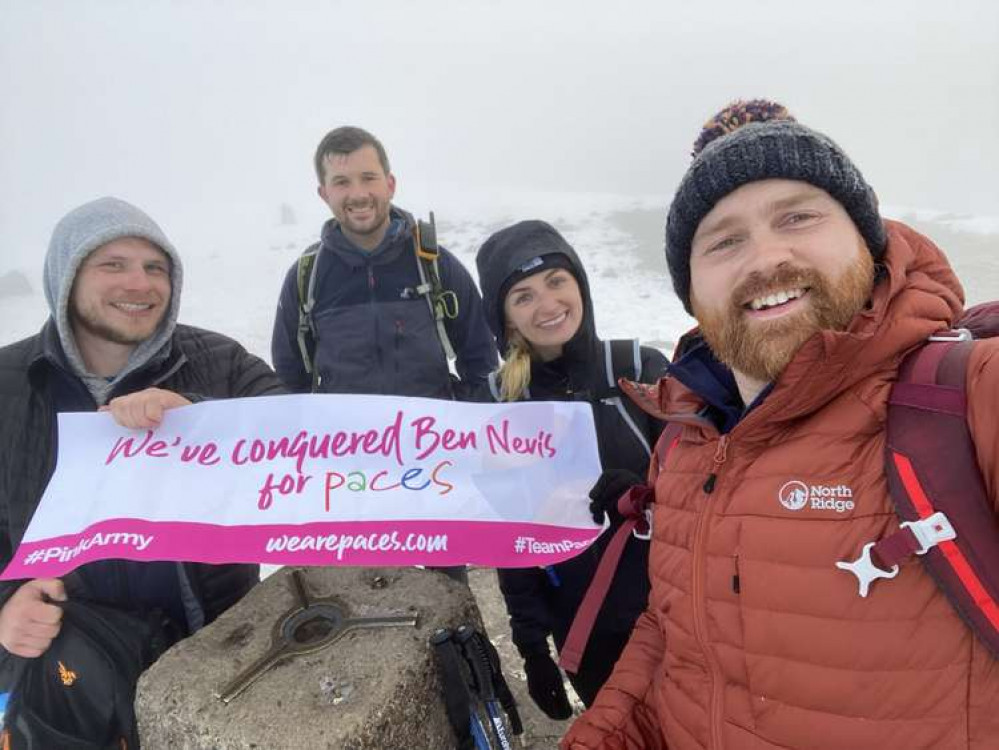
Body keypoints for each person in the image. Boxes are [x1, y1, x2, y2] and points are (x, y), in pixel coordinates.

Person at [562, 100, 999, 749]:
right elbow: (673, 637)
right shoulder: (686, 436)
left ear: (867, 238)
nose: (765, 258)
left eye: (796, 216)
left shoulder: (964, 398)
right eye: (724, 240)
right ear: (690, 287)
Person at [0, 197, 282, 671]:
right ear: (65, 277)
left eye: (156, 267)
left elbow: (303, 439)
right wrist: (6, 603)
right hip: (64, 673)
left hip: (219, 650)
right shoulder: (8, 382)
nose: (141, 283)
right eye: (113, 264)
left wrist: (201, 419)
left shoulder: (220, 360)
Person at [474, 220, 668, 717]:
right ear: (505, 318)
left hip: (671, 611)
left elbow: (705, 492)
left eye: (557, 281)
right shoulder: (502, 406)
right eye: (523, 296)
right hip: (582, 623)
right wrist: (533, 649)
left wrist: (649, 494)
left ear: (579, 284)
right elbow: (511, 541)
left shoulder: (637, 371)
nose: (547, 304)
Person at [270, 125, 497, 398]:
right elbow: (289, 380)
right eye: (342, 182)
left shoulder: (434, 265)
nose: (358, 194)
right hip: (343, 438)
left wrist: (466, 425)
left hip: (428, 436)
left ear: (390, 185)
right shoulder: (306, 277)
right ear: (324, 193)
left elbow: (480, 361)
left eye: (368, 178)